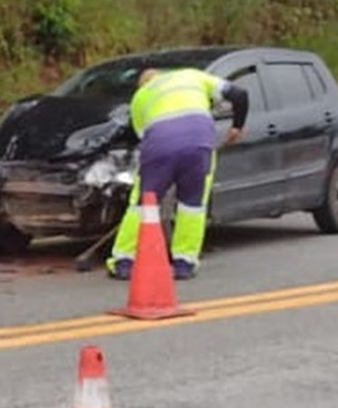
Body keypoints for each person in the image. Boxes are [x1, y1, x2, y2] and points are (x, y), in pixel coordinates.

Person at [106, 66, 248, 281]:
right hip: (199, 144)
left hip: (160, 146)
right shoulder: (192, 76)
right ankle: (184, 262)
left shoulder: (141, 97)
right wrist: (237, 127)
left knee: (144, 204)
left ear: (144, 83)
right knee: (192, 205)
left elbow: (142, 137)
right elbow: (240, 94)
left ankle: (123, 261)